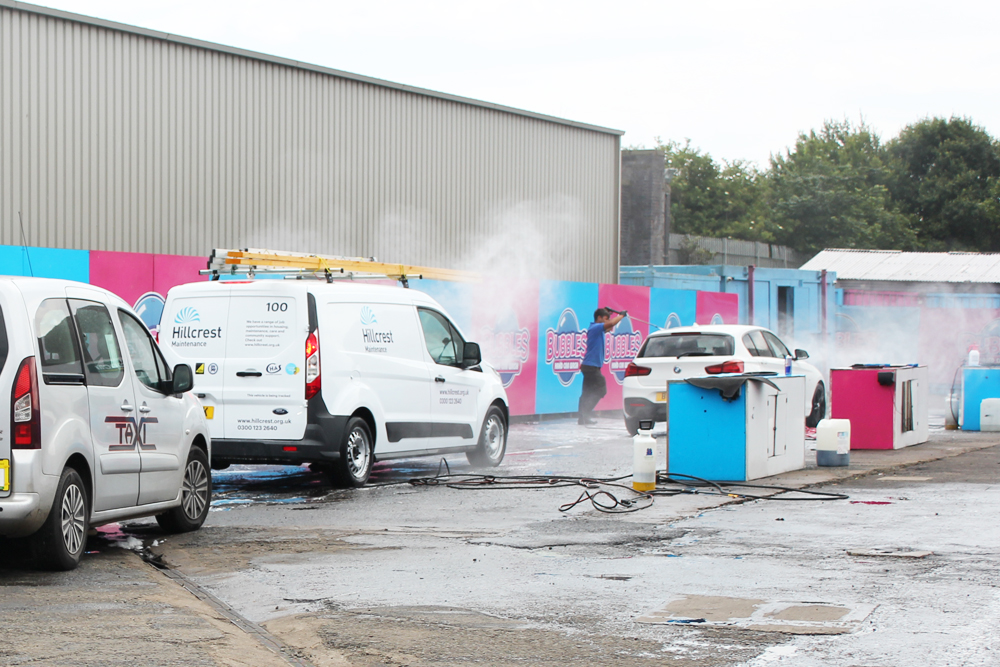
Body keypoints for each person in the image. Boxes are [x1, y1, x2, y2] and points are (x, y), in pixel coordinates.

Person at [578, 307, 626, 425]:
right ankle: (585, 414)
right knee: (601, 389)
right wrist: (621, 315)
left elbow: (610, 327)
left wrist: (612, 316)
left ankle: (582, 418)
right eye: (604, 319)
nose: (606, 321)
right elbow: (611, 323)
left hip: (590, 366)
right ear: (598, 318)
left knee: (587, 393)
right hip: (590, 366)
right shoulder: (595, 327)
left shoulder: (598, 329)